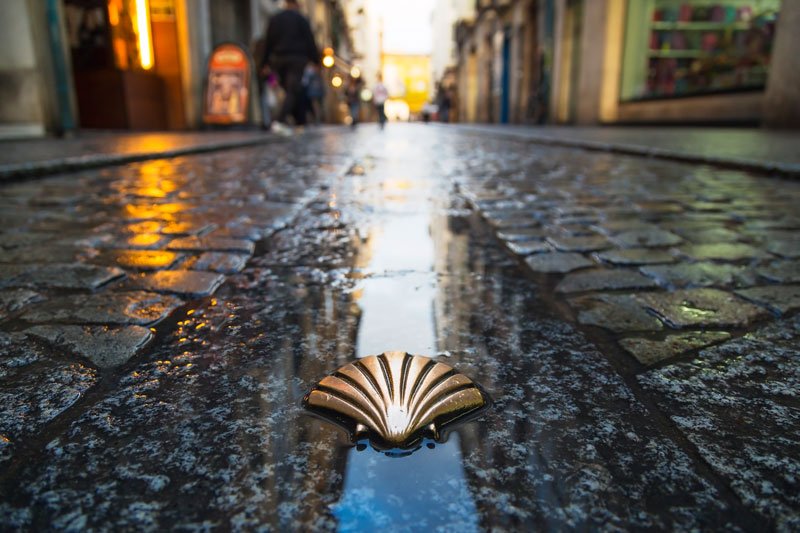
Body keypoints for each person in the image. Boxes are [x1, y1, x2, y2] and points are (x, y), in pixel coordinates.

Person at [260, 0, 320, 132]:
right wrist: (315, 61)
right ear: (296, 4)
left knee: (289, 89)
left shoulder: (275, 19)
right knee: (292, 90)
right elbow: (310, 40)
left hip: (278, 59)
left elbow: (267, 42)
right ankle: (280, 121)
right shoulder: (301, 19)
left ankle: (297, 120)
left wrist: (265, 63)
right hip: (297, 59)